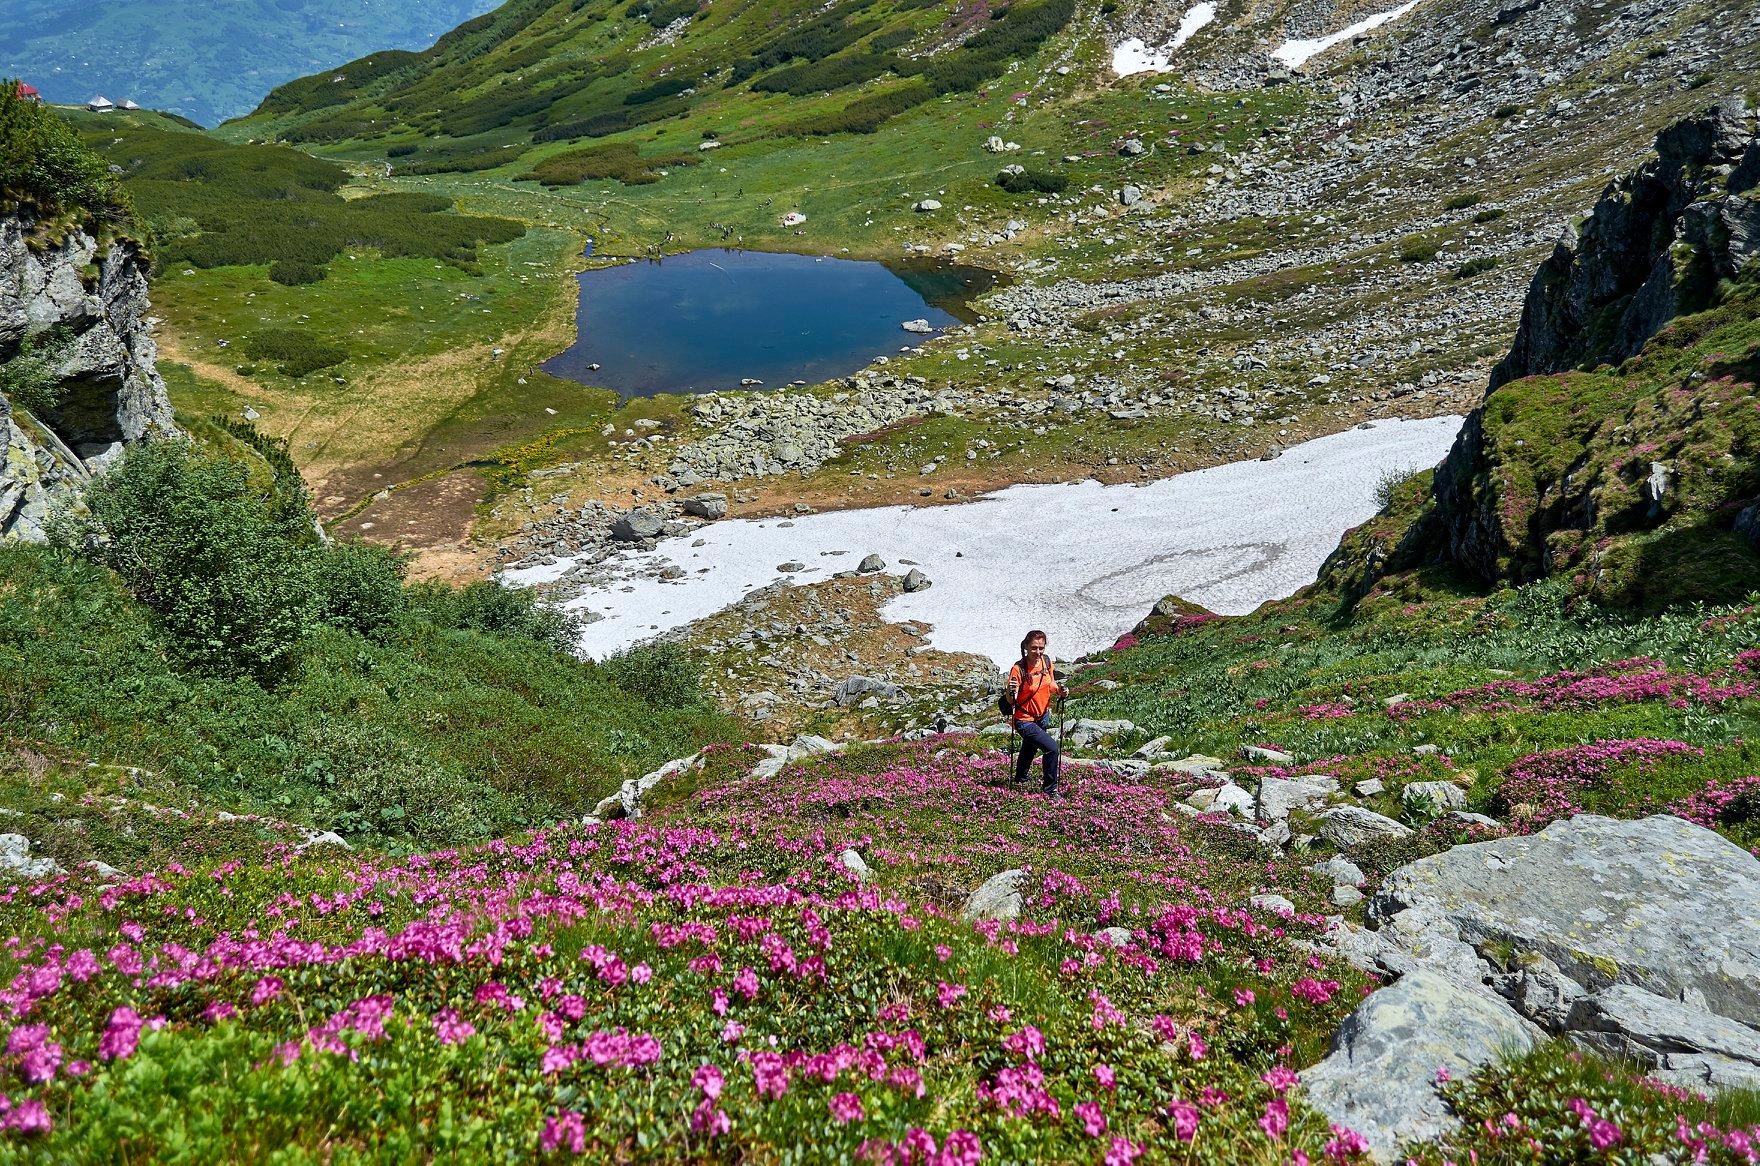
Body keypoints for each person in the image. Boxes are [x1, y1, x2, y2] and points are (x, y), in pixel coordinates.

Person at [1007, 629, 1066, 796]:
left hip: (1043, 716)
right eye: (1034, 648)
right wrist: (1010, 691)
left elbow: (1051, 684)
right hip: (1024, 719)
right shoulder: (1018, 669)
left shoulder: (1046, 662)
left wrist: (1060, 691)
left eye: (1041, 648)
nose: (1038, 652)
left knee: (1030, 747)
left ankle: (1020, 777)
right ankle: (1050, 791)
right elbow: (1012, 700)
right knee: (1052, 748)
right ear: (1026, 646)